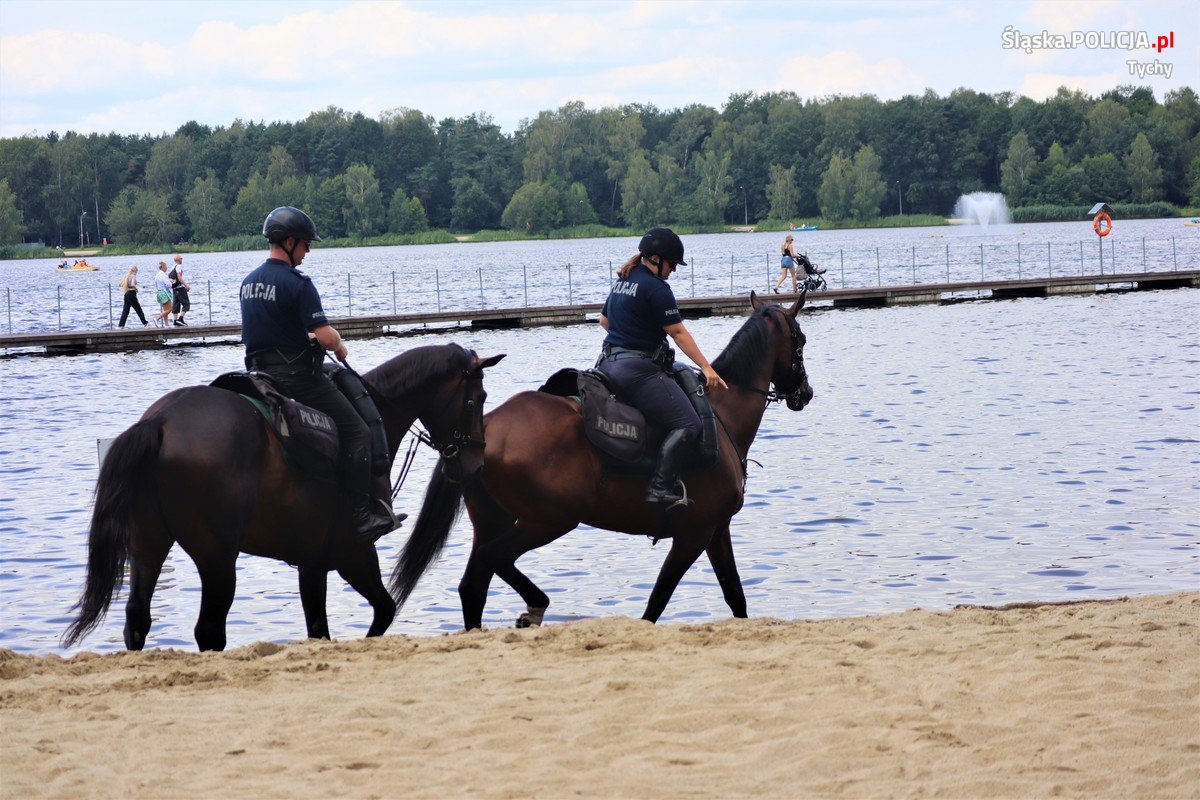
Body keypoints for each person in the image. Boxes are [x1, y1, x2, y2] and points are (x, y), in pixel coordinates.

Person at [240, 206, 400, 541]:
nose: (308, 251)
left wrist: (307, 337)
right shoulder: (297, 283)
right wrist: (337, 345)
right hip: (297, 377)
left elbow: (272, 330)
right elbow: (326, 336)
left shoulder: (249, 282)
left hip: (257, 374)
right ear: (288, 242)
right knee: (357, 432)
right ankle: (360, 516)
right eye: (304, 244)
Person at [596, 227, 728, 508]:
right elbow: (678, 333)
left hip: (607, 364)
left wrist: (632, 329)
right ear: (655, 259)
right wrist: (706, 367)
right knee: (688, 424)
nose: (673, 271)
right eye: (671, 264)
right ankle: (659, 487)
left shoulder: (624, 279)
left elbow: (604, 322)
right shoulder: (656, 288)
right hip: (637, 371)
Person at [169, 254, 191, 326]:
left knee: (176, 304)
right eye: (181, 258)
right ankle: (180, 318)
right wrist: (186, 285)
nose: (182, 259)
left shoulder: (173, 266)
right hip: (180, 288)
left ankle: (175, 321)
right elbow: (179, 277)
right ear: (178, 260)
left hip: (174, 288)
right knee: (186, 303)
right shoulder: (179, 266)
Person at [153, 261, 173, 326]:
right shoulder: (163, 275)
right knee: (169, 309)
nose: (167, 268)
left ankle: (166, 324)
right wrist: (171, 282)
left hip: (159, 292)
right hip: (164, 293)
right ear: (163, 267)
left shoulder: (157, 275)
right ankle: (157, 318)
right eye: (166, 266)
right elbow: (169, 285)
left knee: (165, 310)